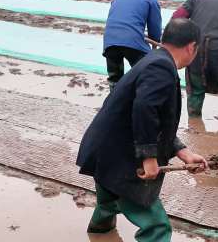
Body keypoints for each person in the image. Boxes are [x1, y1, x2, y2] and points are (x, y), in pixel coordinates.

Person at [77, 19, 208, 242]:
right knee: (156, 227)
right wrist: (148, 158)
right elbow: (144, 110)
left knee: (108, 205)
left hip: (105, 153)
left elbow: (154, 119)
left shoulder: (154, 59)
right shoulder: (161, 67)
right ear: (191, 47)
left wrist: (183, 152)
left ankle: (99, 236)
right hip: (120, 158)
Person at [103, 0, 162, 90]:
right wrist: (155, 45)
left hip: (110, 41)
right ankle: (141, 103)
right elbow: (154, 26)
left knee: (115, 79)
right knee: (146, 74)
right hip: (133, 41)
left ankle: (114, 104)